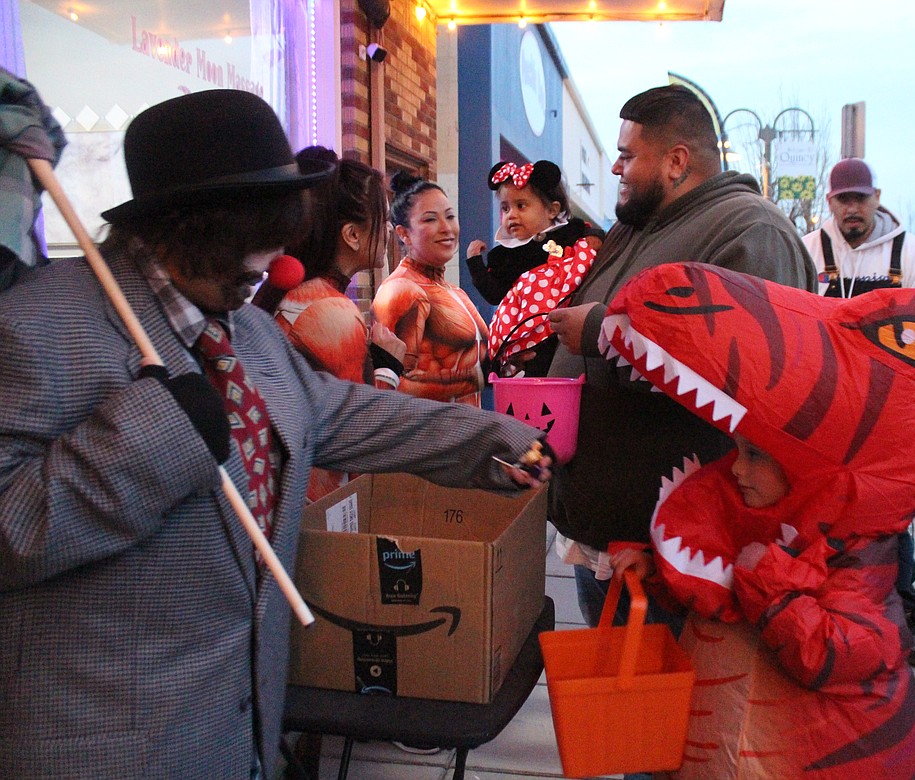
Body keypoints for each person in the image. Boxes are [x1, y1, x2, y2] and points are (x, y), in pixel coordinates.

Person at [0, 89, 552, 780]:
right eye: (257, 237)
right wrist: (150, 433)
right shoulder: (32, 330)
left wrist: (490, 442)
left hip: (243, 737)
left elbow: (345, 414)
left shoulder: (252, 331)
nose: (277, 262)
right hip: (108, 748)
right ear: (192, 229)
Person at [602, 263, 915, 779]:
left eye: (756, 455)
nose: (737, 469)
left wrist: (771, 587)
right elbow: (725, 584)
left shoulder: (857, 549)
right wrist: (659, 568)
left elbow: (847, 653)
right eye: (738, 450)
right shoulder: (766, 516)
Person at [546, 84, 815, 640]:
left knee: (667, 721)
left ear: (676, 161)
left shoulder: (751, 231)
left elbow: (748, 378)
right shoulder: (640, 225)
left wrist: (599, 332)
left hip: (676, 563)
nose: (616, 167)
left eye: (628, 155)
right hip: (609, 543)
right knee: (620, 719)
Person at [801, 156, 915, 668]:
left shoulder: (914, 256)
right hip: (824, 410)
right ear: (831, 202)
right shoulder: (809, 250)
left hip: (887, 414)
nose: (853, 208)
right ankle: (823, 609)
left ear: (877, 198)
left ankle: (905, 618)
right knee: (816, 511)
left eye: (861, 198)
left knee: (890, 519)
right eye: (844, 199)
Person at [255, 146, 407, 501]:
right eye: (381, 218)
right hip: (316, 501)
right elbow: (364, 432)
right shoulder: (331, 311)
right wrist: (388, 368)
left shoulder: (304, 295)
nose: (387, 231)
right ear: (352, 234)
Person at [466, 159, 603, 377]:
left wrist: (594, 237)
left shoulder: (568, 233)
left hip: (568, 330)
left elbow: (591, 234)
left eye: (521, 206)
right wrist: (474, 263)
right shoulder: (503, 255)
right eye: (505, 208)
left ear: (552, 210)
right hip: (530, 340)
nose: (511, 214)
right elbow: (493, 294)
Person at [372, 172, 489, 404]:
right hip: (432, 437)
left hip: (468, 433)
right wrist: (475, 378)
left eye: (450, 216)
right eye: (430, 219)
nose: (446, 228)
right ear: (403, 233)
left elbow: (479, 362)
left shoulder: (455, 292)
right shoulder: (401, 290)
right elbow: (390, 385)